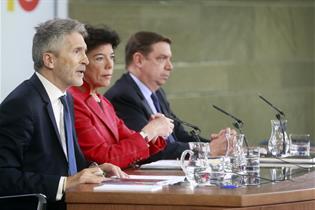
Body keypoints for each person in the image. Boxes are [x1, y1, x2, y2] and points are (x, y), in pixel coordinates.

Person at [0, 18, 127, 210]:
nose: (85, 60)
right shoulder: (21, 104)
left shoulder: (65, 98)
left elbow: (65, 163)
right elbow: (4, 177)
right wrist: (65, 184)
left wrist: (95, 169)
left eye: (85, 51)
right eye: (77, 51)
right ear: (50, 60)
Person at [105, 31, 229, 161]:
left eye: (169, 59)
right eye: (162, 58)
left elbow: (180, 135)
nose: (170, 66)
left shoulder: (157, 93)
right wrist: (208, 150)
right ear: (139, 60)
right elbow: (149, 149)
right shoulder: (123, 97)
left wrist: (215, 144)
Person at [68, 25, 173, 169]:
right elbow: (104, 159)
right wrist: (149, 131)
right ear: (82, 61)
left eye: (111, 57)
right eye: (99, 58)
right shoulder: (74, 101)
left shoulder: (103, 101)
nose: (109, 65)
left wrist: (153, 132)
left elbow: (131, 143)